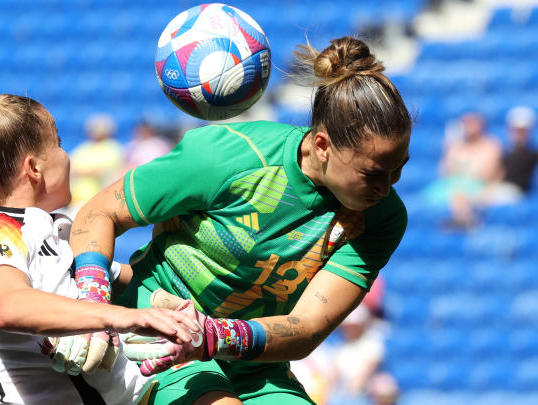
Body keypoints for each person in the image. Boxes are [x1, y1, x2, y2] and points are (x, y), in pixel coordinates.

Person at [68, 36, 411, 405]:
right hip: (158, 330)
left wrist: (213, 336)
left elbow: (308, 327)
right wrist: (92, 304)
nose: (389, 186)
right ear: (323, 146)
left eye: (398, 169)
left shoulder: (384, 217)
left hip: (252, 363)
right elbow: (99, 212)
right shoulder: (226, 155)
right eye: (374, 173)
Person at [0, 69, 196, 404]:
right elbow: (10, 304)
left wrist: (178, 296)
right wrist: (123, 317)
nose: (68, 156)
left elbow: (129, 280)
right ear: (34, 168)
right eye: (60, 143)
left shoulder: (54, 231)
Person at [69, 113, 126, 213]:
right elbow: (70, 167)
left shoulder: (112, 147)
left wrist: (82, 172)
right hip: (76, 201)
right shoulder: (84, 147)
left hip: (99, 200)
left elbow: (101, 172)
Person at [503, 105, 538, 194]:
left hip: (518, 193)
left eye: (522, 131)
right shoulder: (503, 151)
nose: (519, 134)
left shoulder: (533, 154)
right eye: (516, 130)